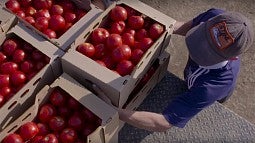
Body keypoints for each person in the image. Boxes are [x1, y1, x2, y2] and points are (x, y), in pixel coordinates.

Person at [93, 8, 254, 132]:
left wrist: (116, 112)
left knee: (212, 97)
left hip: (213, 89)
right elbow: (186, 26)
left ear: (233, 58)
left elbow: (163, 122)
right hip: (197, 76)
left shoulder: (213, 86)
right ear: (210, 21)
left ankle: (217, 98)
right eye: (202, 37)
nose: (196, 50)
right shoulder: (215, 15)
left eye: (207, 53)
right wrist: (158, 26)